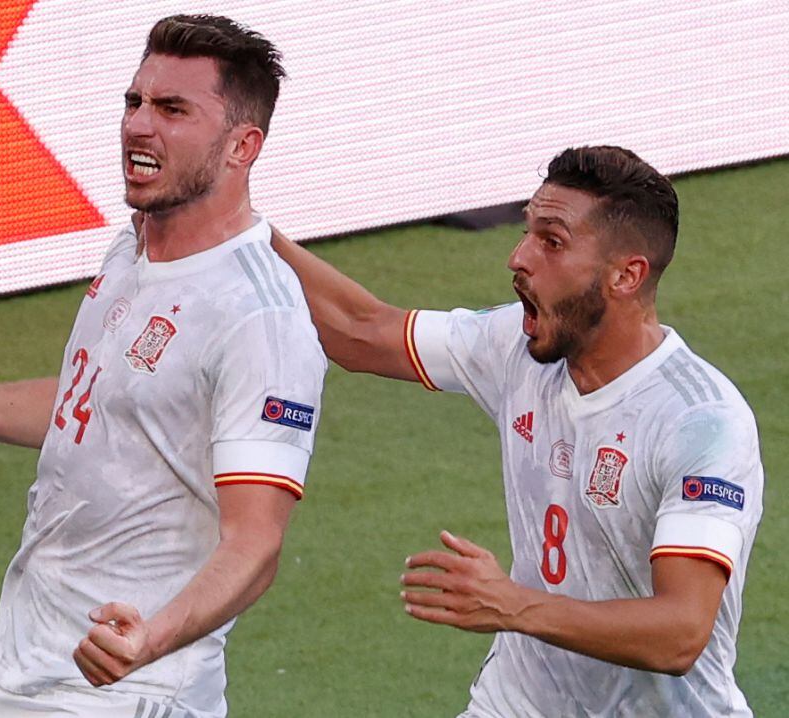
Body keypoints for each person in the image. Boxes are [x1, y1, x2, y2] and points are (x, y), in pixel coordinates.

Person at [0, 15, 326, 718]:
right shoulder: (134, 250)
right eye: (134, 102)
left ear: (244, 145)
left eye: (173, 109)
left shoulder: (258, 317)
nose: (139, 126)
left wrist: (151, 640)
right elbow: (97, 406)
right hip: (30, 667)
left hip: (129, 690)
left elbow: (256, 543)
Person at [272, 146, 762, 717]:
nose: (518, 257)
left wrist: (513, 605)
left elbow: (680, 632)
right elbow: (364, 330)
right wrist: (241, 229)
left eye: (551, 241)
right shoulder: (517, 348)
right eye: (527, 232)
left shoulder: (699, 421)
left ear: (627, 275)